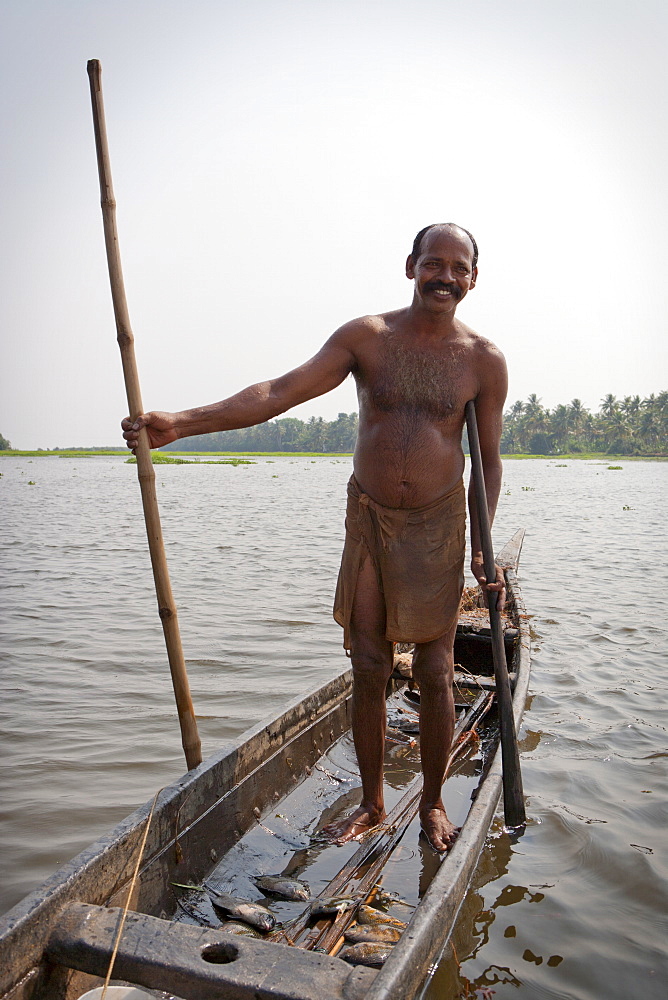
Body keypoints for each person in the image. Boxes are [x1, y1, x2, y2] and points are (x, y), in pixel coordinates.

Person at [122, 222, 507, 852]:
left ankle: (434, 802)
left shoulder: (483, 360)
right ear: (410, 266)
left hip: (438, 524)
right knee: (370, 661)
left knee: (437, 671)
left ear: (472, 278)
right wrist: (182, 423)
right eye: (433, 263)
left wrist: (483, 546)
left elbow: (487, 458)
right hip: (370, 519)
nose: (445, 277)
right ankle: (374, 801)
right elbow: (280, 391)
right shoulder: (368, 339)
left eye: (458, 268)